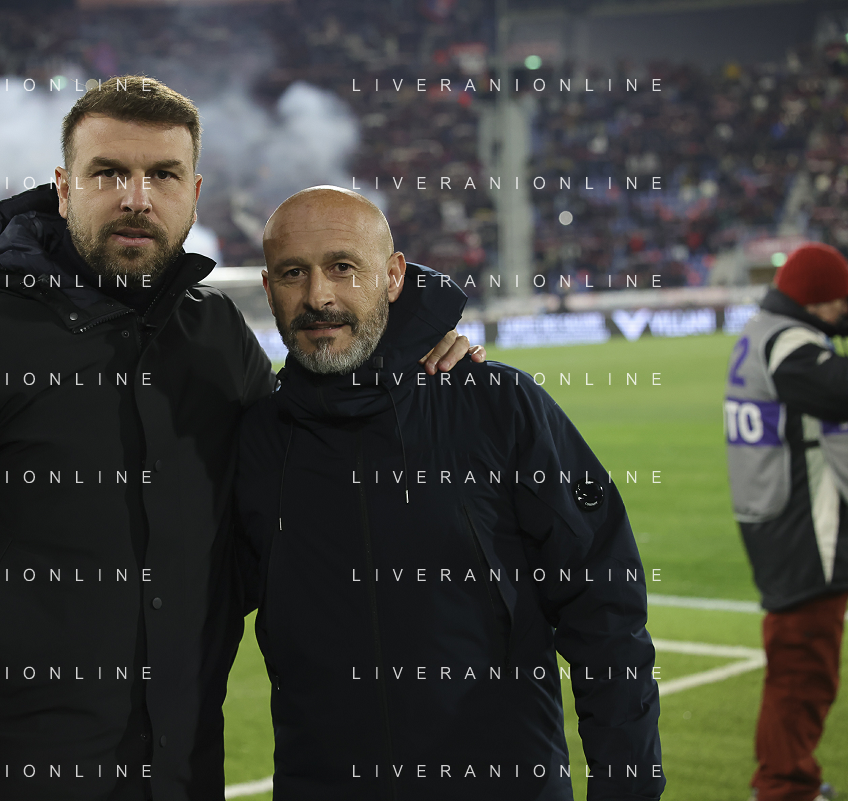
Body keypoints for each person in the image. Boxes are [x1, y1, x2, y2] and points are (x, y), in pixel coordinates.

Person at [0, 77, 481, 801]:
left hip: (182, 777)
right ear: (64, 188)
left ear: (194, 193)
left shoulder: (215, 336)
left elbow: (303, 464)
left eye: (163, 175)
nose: (137, 198)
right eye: (108, 173)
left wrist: (412, 357)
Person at [234, 186, 665, 800]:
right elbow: (188, 620)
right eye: (292, 273)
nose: (318, 296)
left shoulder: (496, 406)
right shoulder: (252, 442)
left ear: (393, 276)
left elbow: (605, 608)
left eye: (343, 267)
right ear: (268, 286)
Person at [724, 242, 848, 801]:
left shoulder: (763, 331)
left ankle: (790, 780)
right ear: (816, 299)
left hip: (774, 515)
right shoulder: (790, 343)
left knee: (799, 661)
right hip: (804, 528)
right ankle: (784, 787)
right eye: (839, 301)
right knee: (802, 667)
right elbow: (838, 390)